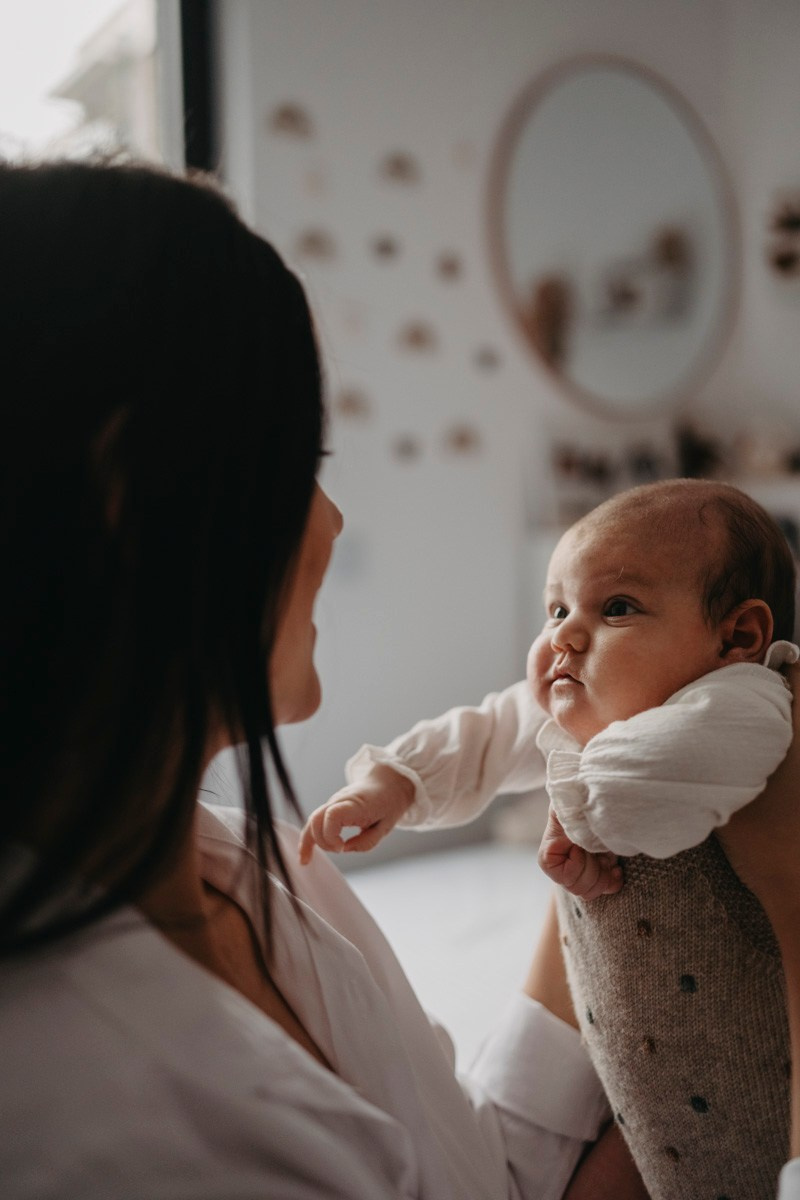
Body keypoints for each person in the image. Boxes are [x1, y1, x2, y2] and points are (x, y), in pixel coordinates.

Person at [0, 157, 650, 1200]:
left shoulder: (254, 863)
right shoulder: (113, 1136)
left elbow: (472, 1171)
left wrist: (618, 894)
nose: (331, 523)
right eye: (299, 461)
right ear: (129, 501)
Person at [299, 479, 799, 1197]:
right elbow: (493, 729)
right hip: (635, 1084)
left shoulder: (750, 701)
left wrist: (571, 804)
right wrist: (397, 780)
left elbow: (646, 780)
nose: (563, 635)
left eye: (616, 607)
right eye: (557, 609)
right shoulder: (595, 705)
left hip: (749, 1105)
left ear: (737, 636)